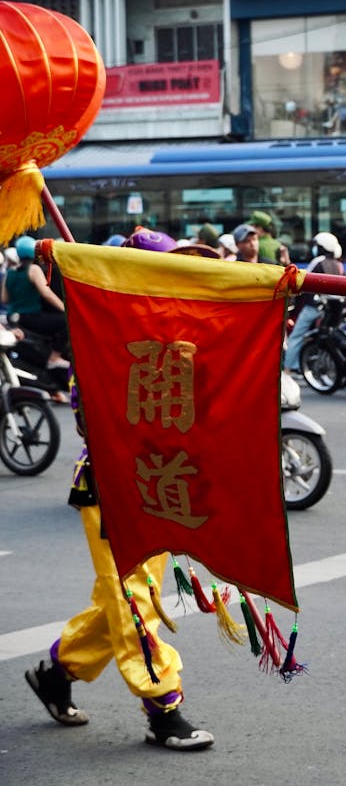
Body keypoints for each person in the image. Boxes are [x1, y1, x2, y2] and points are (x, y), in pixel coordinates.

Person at [26, 229, 215, 752]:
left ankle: (57, 673)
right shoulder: (100, 338)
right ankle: (164, 708)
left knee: (131, 596)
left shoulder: (178, 329)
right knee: (134, 599)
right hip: (112, 486)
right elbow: (94, 418)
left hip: (162, 481)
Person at [2, 235, 69, 368]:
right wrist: (66, 309)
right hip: (31, 317)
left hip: (14, 319)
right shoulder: (33, 269)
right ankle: (54, 357)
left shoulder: (10, 272)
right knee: (67, 322)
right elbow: (47, 294)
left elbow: (4, 299)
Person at [284, 232, 344, 374]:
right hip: (331, 309)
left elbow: (302, 280)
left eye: (317, 246)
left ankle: (287, 370)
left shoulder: (319, 261)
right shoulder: (338, 264)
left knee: (296, 336)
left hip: (315, 306)